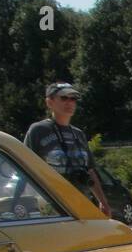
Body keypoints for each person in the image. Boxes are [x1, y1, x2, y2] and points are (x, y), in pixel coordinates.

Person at [23, 83, 110, 217]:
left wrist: (103, 202)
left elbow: (90, 170)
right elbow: (25, 166)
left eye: (73, 98)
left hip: (81, 202)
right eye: (64, 98)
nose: (69, 102)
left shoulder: (78, 134)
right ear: (49, 102)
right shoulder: (38, 131)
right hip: (51, 206)